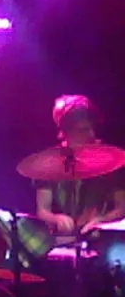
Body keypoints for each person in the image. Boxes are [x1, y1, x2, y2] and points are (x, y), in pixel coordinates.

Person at [35, 94, 125, 236]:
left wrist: (101, 220)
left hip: (101, 240)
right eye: (83, 130)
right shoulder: (48, 164)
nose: (91, 134)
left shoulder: (110, 162)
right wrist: (56, 218)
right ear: (66, 132)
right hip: (63, 240)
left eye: (93, 128)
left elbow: (122, 208)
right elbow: (42, 210)